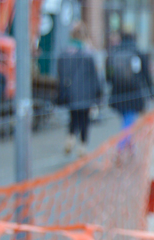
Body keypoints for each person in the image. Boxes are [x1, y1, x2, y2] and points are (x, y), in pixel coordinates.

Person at [56, 23, 102, 157]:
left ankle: (70, 138)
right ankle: (82, 146)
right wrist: (98, 94)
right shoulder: (89, 54)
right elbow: (96, 76)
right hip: (87, 94)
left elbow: (60, 74)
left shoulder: (64, 54)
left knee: (73, 117)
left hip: (71, 93)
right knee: (85, 120)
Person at [106, 31, 153, 133]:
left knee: (126, 117)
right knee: (129, 120)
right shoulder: (138, 52)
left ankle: (129, 146)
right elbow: (146, 75)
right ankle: (122, 144)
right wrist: (151, 91)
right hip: (134, 92)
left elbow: (108, 75)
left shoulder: (114, 52)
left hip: (117, 92)